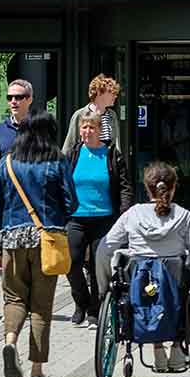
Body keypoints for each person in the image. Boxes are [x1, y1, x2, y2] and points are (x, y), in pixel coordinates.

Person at [97, 161, 190, 373]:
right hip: (175, 289)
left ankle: (158, 351)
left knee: (145, 288)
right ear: (173, 188)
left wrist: (103, 287)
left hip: (139, 285)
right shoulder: (184, 217)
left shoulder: (132, 215)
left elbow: (103, 249)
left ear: (147, 188)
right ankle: (176, 350)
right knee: (183, 287)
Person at [0, 114, 76, 377]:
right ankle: (37, 372)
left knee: (14, 299)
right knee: (41, 307)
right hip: (46, 241)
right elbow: (71, 202)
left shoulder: (7, 162)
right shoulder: (57, 161)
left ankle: (10, 342)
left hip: (12, 240)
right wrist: (57, 221)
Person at [66, 109, 134, 328]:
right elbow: (61, 182)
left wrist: (124, 211)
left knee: (98, 265)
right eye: (83, 127)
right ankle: (81, 302)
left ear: (99, 131)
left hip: (104, 219)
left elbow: (124, 186)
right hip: (76, 217)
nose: (86, 131)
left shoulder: (112, 154)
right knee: (71, 262)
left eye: (91, 128)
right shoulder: (74, 154)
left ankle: (95, 310)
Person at [0, 78, 35, 224]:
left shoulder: (40, 129)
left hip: (33, 203)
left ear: (29, 99)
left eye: (18, 97)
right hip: (5, 203)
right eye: (9, 97)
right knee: (5, 245)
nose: (13, 101)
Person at [62, 74, 120, 155]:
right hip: (85, 160)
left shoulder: (112, 115)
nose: (115, 96)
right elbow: (69, 145)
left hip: (106, 163)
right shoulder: (80, 114)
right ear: (99, 93)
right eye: (111, 92)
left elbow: (116, 144)